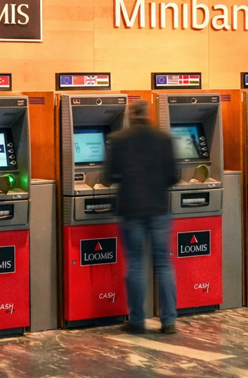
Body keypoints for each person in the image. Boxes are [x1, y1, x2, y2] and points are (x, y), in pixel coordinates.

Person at [104, 100, 180, 334]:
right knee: (164, 264)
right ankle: (168, 321)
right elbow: (174, 175)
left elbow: (109, 176)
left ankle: (137, 321)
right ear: (147, 114)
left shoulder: (119, 139)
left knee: (136, 265)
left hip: (131, 210)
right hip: (158, 209)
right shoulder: (163, 138)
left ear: (129, 115)